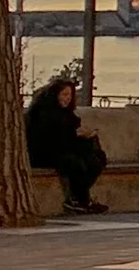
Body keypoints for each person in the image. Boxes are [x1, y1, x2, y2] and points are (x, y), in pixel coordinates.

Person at [25, 72, 107, 214]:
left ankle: (80, 199)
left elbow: (70, 134)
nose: (67, 99)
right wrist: (74, 134)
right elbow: (48, 139)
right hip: (44, 153)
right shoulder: (42, 113)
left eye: (69, 95)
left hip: (63, 149)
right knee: (75, 164)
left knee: (96, 159)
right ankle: (80, 200)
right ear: (55, 95)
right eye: (64, 95)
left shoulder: (68, 114)